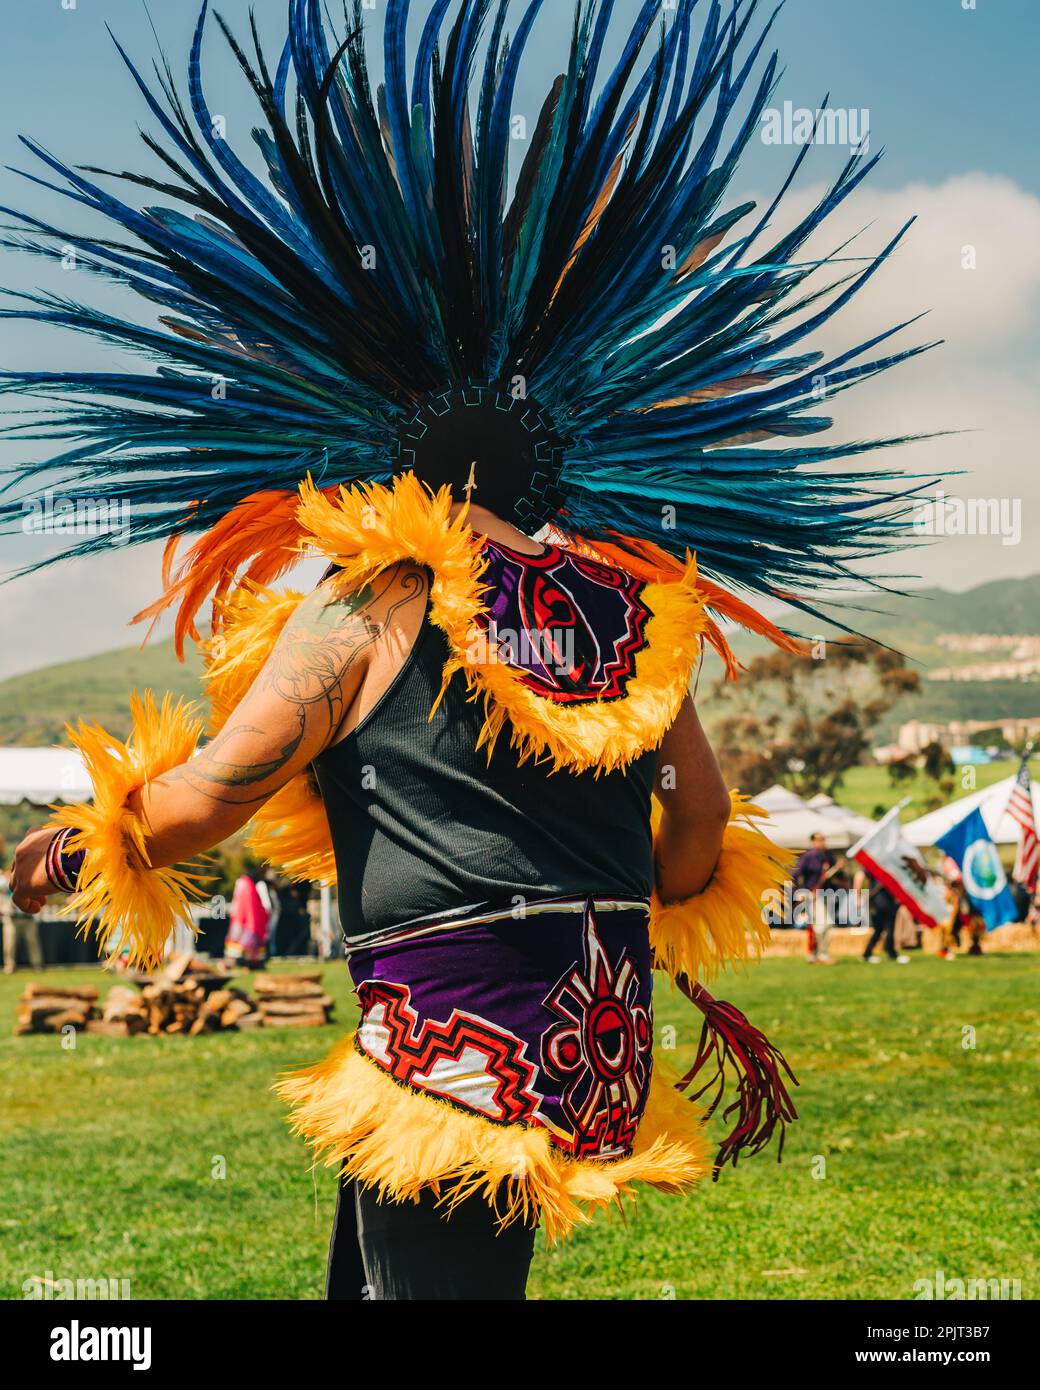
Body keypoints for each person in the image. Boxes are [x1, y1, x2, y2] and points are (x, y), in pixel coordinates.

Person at [5, 1, 929, 1300]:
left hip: (453, 1037)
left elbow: (218, 788)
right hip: (587, 1041)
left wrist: (89, 841)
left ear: (383, 457)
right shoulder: (627, 598)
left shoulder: (372, 604)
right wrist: (612, 901)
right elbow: (701, 821)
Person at [793, 833, 840, 964]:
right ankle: (822, 955)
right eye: (819, 840)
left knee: (818, 925)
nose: (823, 842)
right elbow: (795, 874)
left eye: (823, 839)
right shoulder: (809, 856)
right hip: (811, 895)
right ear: (813, 842)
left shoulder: (825, 857)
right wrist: (800, 892)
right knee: (823, 924)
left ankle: (814, 955)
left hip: (824, 894)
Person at [1, 867, 44, 974]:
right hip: (12, 918)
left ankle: (37, 965)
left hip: (28, 917)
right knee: (9, 944)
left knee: (32, 942)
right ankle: (9, 966)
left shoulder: (27, 883)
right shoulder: (4, 884)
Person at [224, 866, 270, 966]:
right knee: (247, 939)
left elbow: (235, 901)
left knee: (238, 938)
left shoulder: (242, 883)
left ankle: (240, 962)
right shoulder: (253, 885)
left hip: (241, 918)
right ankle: (250, 962)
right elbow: (267, 906)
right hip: (251, 918)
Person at [859, 876, 909, 964]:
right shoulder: (880, 866)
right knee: (888, 928)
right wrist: (857, 896)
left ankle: (868, 954)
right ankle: (890, 954)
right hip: (881, 901)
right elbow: (859, 876)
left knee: (879, 929)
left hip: (878, 901)